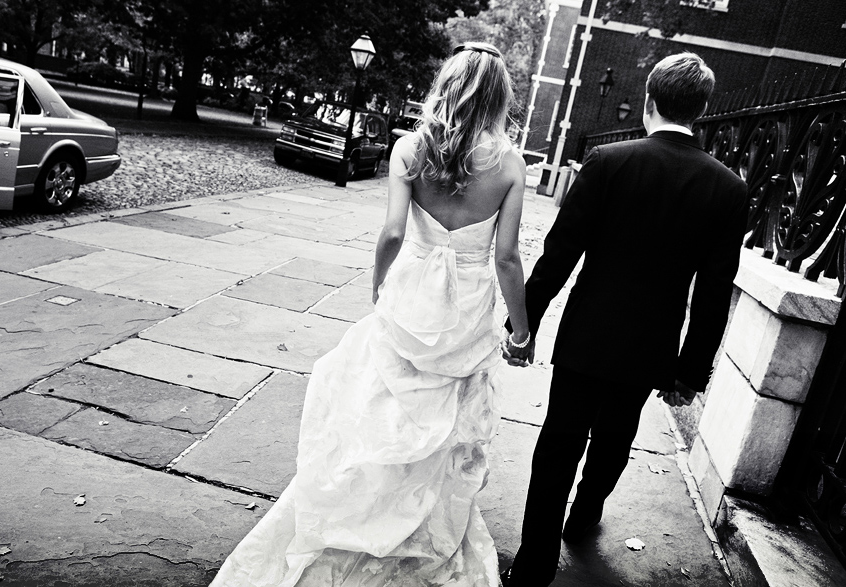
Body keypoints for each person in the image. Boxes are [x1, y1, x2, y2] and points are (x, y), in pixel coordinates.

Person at [210, 41, 532, 586]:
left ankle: (368, 503)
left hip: (412, 296)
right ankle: (419, 522)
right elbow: (506, 257)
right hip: (471, 303)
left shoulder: (410, 148)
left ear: (446, 86)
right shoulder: (510, 165)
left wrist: (380, 283)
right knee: (446, 416)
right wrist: (520, 330)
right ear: (499, 98)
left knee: (384, 399)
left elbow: (392, 233)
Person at [500, 53, 748, 586]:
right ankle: (585, 513)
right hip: (650, 347)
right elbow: (712, 293)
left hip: (587, 335)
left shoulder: (609, 161)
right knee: (616, 436)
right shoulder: (728, 189)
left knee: (559, 443)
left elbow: (559, 253)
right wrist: (690, 371)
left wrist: (524, 323)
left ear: (649, 101)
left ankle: (534, 563)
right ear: (701, 109)